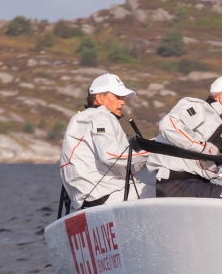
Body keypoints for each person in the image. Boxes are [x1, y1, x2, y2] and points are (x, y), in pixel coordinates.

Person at [147, 75, 222, 200]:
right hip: (177, 185)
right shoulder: (198, 107)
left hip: (197, 186)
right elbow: (169, 124)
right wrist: (203, 147)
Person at [59, 73, 155, 209]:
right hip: (108, 195)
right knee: (171, 192)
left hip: (86, 201)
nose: (122, 101)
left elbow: (119, 162)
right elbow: (109, 154)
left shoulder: (80, 119)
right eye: (117, 97)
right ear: (99, 98)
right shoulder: (102, 117)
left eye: (122, 97)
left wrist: (144, 159)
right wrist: (153, 149)